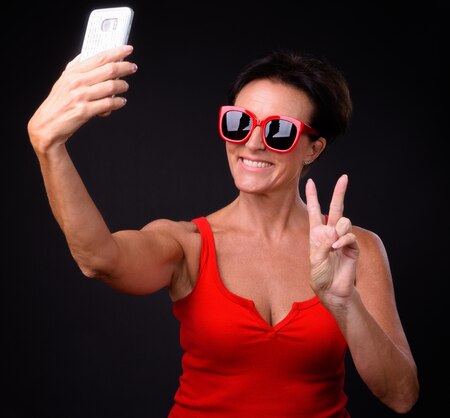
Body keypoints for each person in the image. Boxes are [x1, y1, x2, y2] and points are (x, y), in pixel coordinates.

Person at [27, 45, 419, 417]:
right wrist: (51, 148)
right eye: (239, 123)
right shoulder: (188, 244)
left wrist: (344, 304)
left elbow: (401, 397)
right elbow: (99, 259)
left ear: (313, 149)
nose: (252, 143)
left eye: (278, 131)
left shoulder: (353, 250)